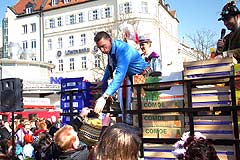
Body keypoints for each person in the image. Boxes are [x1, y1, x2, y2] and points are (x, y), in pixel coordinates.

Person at [93, 31, 150, 113]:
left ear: (110, 40)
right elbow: (110, 67)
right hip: (135, 78)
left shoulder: (122, 50)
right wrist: (103, 81)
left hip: (145, 77)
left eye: (103, 46)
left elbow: (119, 75)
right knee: (137, 108)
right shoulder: (110, 50)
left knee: (146, 107)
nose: (102, 50)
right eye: (99, 48)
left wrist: (104, 97)